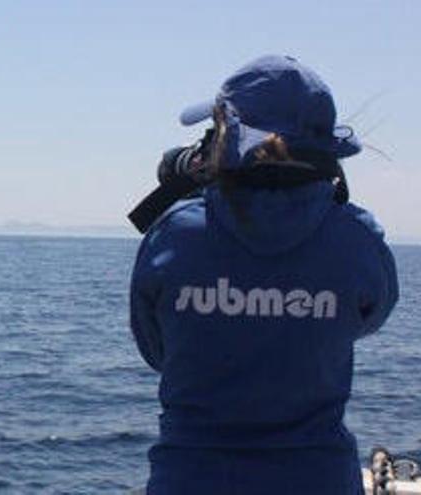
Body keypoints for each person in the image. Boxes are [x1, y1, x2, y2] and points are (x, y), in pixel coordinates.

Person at [129, 55, 399, 494]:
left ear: (226, 138)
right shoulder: (358, 240)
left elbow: (158, 351)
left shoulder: (173, 235)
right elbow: (369, 318)